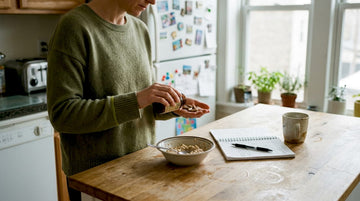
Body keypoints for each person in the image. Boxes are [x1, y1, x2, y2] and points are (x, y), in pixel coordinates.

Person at [46, 0, 210, 200]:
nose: (153, 1)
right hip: (94, 180)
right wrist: (138, 100)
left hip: (142, 168)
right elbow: (63, 114)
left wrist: (173, 106)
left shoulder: (140, 30)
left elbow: (141, 103)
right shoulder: (74, 27)